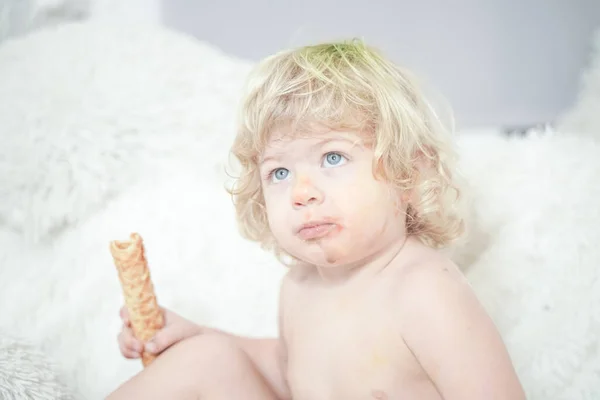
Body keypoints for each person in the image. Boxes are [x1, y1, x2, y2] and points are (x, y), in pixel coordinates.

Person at [108, 39, 526, 399]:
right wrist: (196, 336)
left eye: (333, 157)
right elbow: (291, 372)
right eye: (279, 172)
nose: (301, 191)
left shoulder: (424, 291)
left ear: (408, 175)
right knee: (204, 359)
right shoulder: (299, 286)